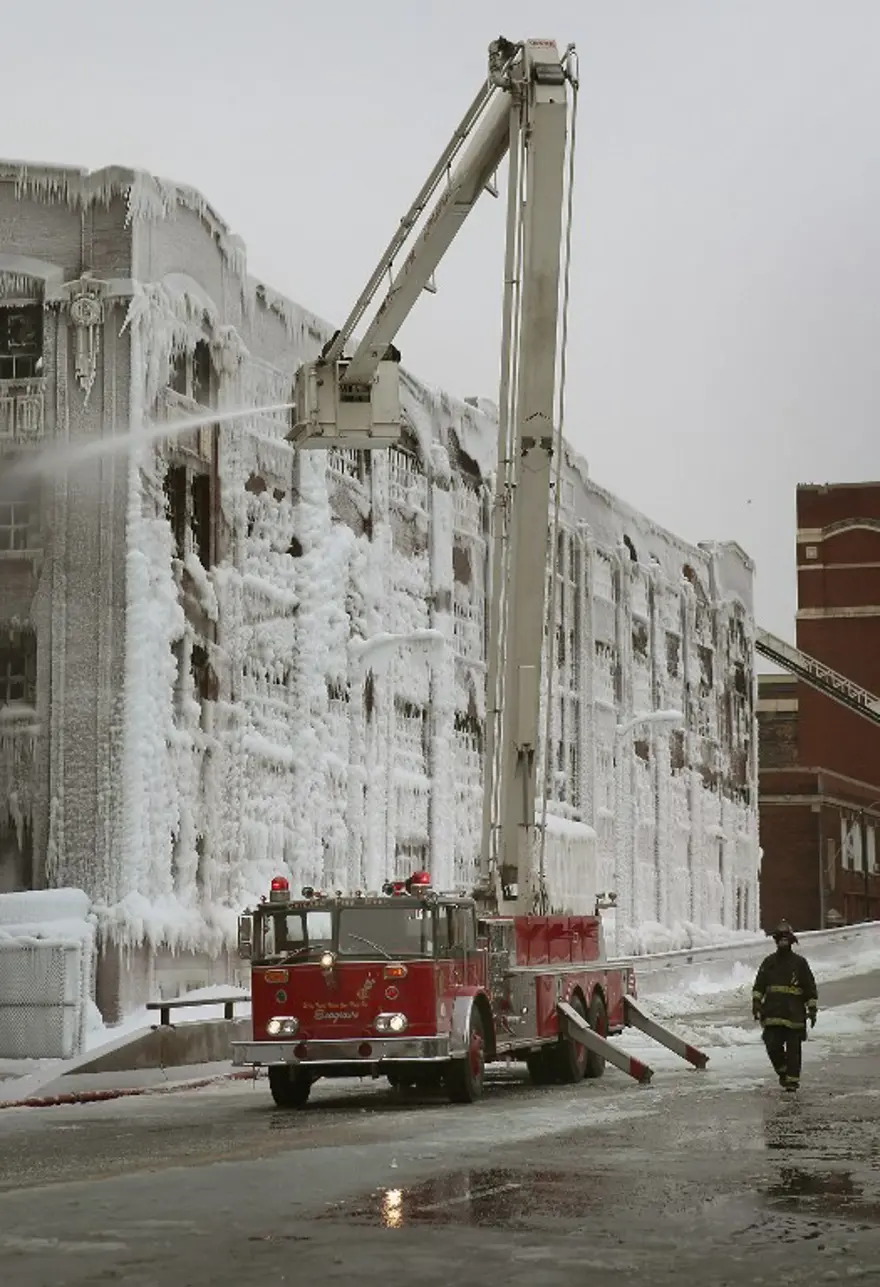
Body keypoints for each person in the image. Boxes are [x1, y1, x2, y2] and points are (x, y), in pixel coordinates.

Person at [752, 920, 818, 1092]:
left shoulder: (800, 963)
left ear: (791, 941)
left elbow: (809, 987)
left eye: (785, 939)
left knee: (793, 1049)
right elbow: (759, 986)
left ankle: (792, 1082)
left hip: (794, 1014)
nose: (783, 942)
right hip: (773, 1012)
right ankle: (783, 1072)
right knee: (771, 1044)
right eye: (780, 939)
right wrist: (756, 1003)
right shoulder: (769, 962)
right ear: (776, 941)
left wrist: (812, 1009)